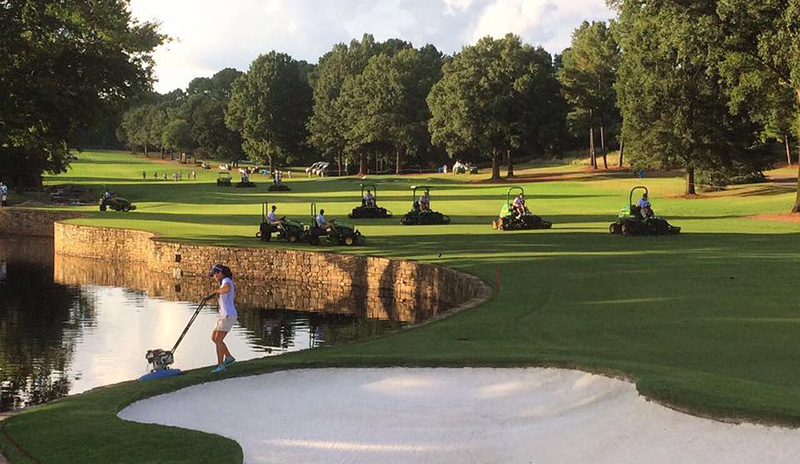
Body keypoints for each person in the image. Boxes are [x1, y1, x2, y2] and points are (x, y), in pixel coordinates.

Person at [207, 264, 237, 373]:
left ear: (220, 273)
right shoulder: (223, 282)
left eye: (215, 273)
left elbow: (227, 289)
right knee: (214, 338)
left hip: (228, 315)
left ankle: (220, 365)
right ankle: (228, 357)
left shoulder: (226, 280)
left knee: (218, 339)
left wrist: (217, 292)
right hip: (224, 315)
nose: (214, 276)